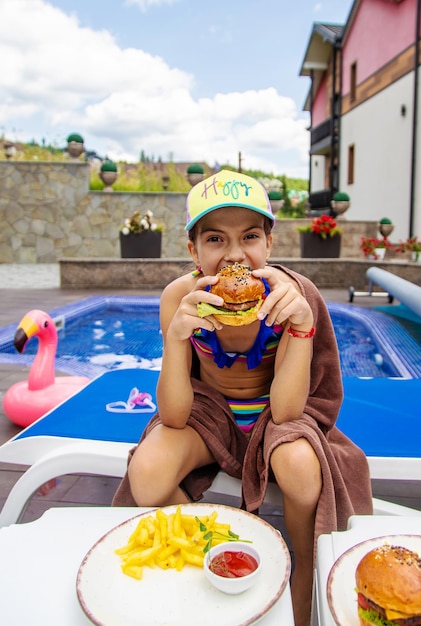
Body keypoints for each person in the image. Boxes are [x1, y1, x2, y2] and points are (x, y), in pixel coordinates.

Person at [113, 170, 373, 626]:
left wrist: (300, 327)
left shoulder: (292, 298)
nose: (235, 254)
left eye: (250, 236)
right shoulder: (180, 297)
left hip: (275, 412)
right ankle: (220, 548)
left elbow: (292, 411)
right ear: (193, 251)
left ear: (269, 245)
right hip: (208, 415)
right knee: (147, 473)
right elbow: (174, 416)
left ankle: (303, 571)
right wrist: (176, 340)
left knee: (300, 466)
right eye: (215, 239)